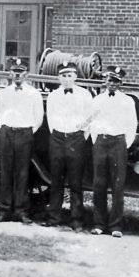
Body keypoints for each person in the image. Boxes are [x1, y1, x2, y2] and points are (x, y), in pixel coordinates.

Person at [42, 60, 93, 233]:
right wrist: (58, 133)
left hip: (76, 139)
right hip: (57, 138)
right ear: (58, 77)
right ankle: (54, 216)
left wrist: (80, 133)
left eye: (69, 75)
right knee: (56, 180)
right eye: (63, 76)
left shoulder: (85, 95)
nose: (66, 79)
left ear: (75, 77)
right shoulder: (53, 95)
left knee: (75, 181)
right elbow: (50, 118)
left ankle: (76, 219)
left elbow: (91, 116)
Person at [89, 66, 137, 238]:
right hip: (101, 142)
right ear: (105, 81)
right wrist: (97, 140)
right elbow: (91, 121)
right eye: (109, 80)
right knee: (99, 184)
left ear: (120, 83)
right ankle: (99, 224)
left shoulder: (127, 101)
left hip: (118, 143)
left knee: (117, 185)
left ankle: (115, 225)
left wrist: (124, 144)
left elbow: (132, 125)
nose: (112, 84)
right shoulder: (97, 100)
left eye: (115, 81)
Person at [0, 58, 44, 224]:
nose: (17, 75)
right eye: (14, 72)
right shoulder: (3, 93)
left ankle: (21, 211)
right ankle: (4, 211)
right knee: (5, 172)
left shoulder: (33, 94)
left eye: (21, 72)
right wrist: (6, 128)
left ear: (26, 74)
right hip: (7, 133)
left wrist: (27, 131)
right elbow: (0, 114)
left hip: (25, 134)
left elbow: (38, 118)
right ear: (10, 73)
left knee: (22, 173)